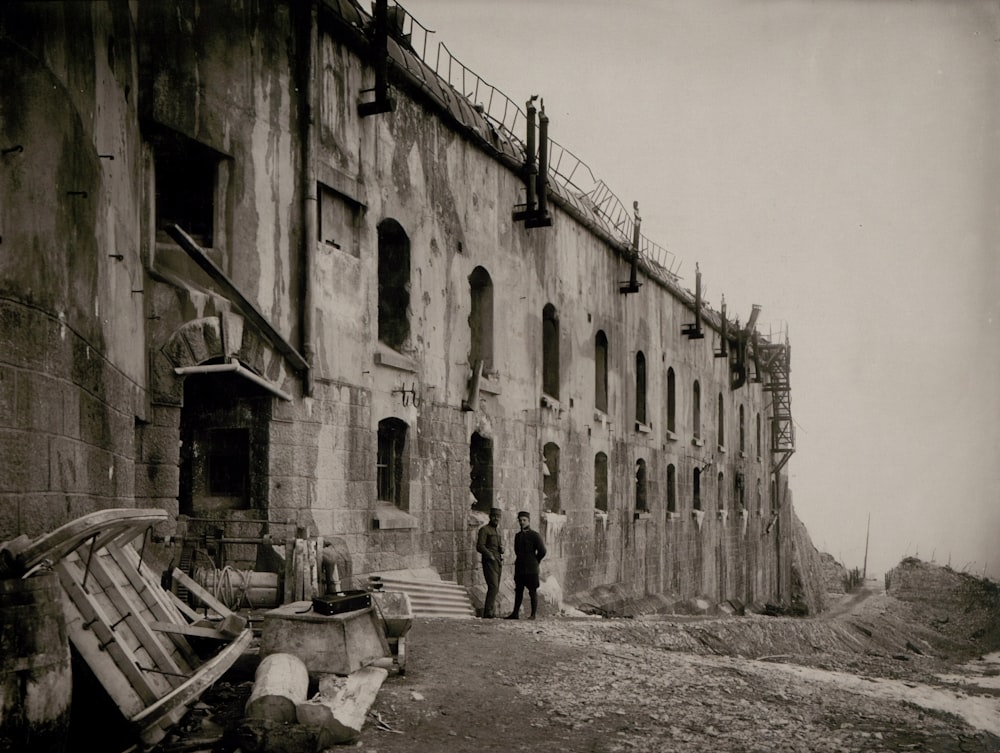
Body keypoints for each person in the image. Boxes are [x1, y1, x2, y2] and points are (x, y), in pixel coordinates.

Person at [505, 510, 546, 620]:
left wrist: (535, 561)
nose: (522, 522)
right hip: (520, 568)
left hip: (531, 569)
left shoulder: (535, 535)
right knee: (518, 590)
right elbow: (516, 551)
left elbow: (542, 551)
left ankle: (533, 615)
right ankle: (515, 613)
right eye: (520, 520)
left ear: (529, 521)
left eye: (524, 520)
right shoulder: (518, 536)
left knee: (532, 591)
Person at [475, 507, 504, 618]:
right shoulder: (484, 530)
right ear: (490, 517)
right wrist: (490, 555)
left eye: (498, 517)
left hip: (498, 561)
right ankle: (488, 612)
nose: (496, 518)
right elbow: (479, 546)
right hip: (489, 561)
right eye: (494, 516)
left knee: (496, 587)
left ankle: (491, 610)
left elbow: (498, 547)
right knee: (493, 586)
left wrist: (501, 549)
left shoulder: (498, 531)